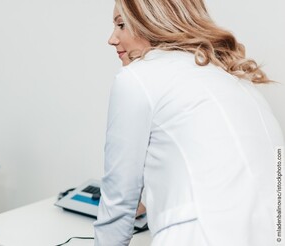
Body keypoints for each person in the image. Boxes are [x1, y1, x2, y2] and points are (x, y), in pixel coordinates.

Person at [93, 0, 284, 245]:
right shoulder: (234, 81)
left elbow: (118, 201)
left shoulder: (138, 78)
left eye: (121, 25)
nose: (112, 38)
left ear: (152, 22)